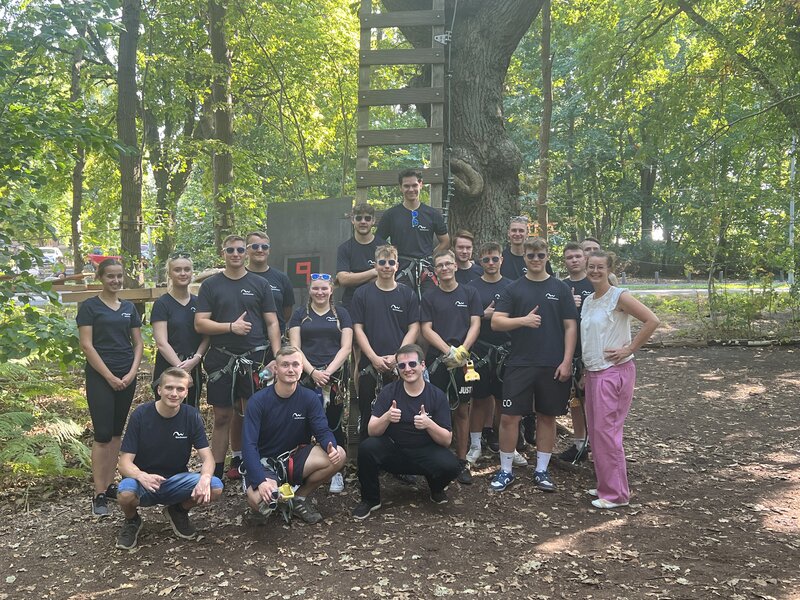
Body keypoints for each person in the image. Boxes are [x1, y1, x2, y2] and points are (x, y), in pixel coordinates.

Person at [489, 237, 578, 493]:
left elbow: (570, 326)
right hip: (519, 363)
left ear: (547, 256)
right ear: (524, 258)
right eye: (531, 255)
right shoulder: (514, 288)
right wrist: (523, 321)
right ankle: (506, 470)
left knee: (546, 416)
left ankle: (541, 470)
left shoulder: (560, 288)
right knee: (509, 417)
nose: (536, 259)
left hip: (552, 364)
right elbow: (496, 322)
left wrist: (567, 361)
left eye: (540, 255)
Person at [195, 235, 282, 482]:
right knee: (222, 416)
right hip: (221, 359)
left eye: (240, 250)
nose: (235, 254)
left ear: (246, 253)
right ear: (223, 253)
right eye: (230, 250)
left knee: (254, 414)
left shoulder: (260, 284)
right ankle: (216, 474)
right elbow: (200, 323)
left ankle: (256, 469)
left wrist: (277, 356)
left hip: (255, 358)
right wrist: (230, 327)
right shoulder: (211, 286)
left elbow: (272, 322)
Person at [581, 251, 659, 508]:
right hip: (593, 373)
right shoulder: (590, 300)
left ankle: (617, 494)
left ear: (609, 269)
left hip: (613, 372)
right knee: (596, 432)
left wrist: (629, 348)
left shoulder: (618, 296)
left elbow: (652, 320)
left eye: (600, 267)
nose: (595, 271)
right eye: (591, 267)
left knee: (608, 433)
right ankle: (606, 484)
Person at [115, 368, 223, 549]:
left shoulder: (191, 415)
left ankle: (178, 511)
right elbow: (124, 463)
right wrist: (141, 475)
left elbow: (208, 459)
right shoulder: (141, 415)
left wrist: (204, 478)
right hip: (144, 482)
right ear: (159, 390)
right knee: (125, 493)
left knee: (215, 486)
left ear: (186, 392)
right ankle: (132, 520)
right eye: (169, 388)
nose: (174, 393)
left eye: (180, 389)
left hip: (176, 481)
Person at [351, 344, 461, 519]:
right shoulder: (389, 392)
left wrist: (429, 424)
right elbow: (371, 430)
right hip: (395, 452)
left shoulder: (437, 395)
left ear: (422, 365)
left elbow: (447, 440)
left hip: (426, 452)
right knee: (367, 447)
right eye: (402, 365)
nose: (407, 369)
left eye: (412, 364)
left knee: (452, 466)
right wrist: (387, 417)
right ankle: (370, 500)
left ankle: (436, 487)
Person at [242, 345, 346, 524]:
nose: (291, 369)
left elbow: (322, 430)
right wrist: (260, 480)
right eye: (285, 365)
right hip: (264, 462)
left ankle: (299, 498)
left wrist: (330, 445)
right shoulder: (258, 401)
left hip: (294, 458)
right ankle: (272, 494)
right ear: (276, 369)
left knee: (340, 454)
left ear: (302, 368)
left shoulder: (309, 398)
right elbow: (248, 445)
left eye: (295, 365)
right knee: (260, 500)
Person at [76, 258, 143, 517]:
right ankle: (99, 493)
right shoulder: (90, 307)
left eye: (119, 276)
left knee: (116, 433)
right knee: (102, 434)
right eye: (110, 276)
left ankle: (110, 484)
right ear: (100, 278)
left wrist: (132, 372)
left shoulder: (129, 308)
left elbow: (138, 343)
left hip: (126, 375)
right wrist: (109, 376)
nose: (115, 280)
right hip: (100, 376)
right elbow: (86, 345)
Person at [420, 250, 482, 484]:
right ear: (435, 270)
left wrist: (463, 350)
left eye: (448, 264)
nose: (444, 268)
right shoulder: (429, 297)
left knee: (463, 410)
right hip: (438, 361)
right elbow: (426, 329)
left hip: (464, 361)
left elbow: (475, 323)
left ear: (456, 266)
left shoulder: (470, 292)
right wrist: (448, 352)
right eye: (440, 265)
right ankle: (437, 460)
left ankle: (461, 461)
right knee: (435, 409)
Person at [288, 273, 353, 494]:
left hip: (334, 377)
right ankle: (299, 470)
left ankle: (336, 470)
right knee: (302, 421)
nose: (320, 292)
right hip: (306, 375)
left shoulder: (341, 314)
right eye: (315, 288)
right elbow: (295, 347)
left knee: (333, 421)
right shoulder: (300, 314)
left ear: (331, 290)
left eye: (324, 288)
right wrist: (313, 372)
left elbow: (346, 347)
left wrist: (327, 372)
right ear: (309, 290)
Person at [351, 244, 420, 439]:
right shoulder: (362, 294)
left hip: (401, 366)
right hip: (369, 365)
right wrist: (373, 357)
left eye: (391, 262)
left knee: (401, 416)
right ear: (375, 265)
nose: (387, 266)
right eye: (382, 262)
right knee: (368, 414)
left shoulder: (408, 294)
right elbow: (358, 329)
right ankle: (367, 456)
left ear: (397, 265)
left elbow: (414, 328)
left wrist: (398, 357)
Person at [464, 242, 514, 464]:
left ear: (501, 259)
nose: (491, 263)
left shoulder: (512, 286)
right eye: (486, 260)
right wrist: (483, 315)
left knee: (504, 400)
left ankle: (506, 445)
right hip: (480, 350)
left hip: (507, 350)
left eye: (495, 259)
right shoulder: (471, 288)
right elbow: (464, 317)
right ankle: (475, 445)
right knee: (479, 399)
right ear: (480, 262)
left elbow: (520, 315)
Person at [375, 168, 449, 295]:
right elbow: (378, 241)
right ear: (400, 187)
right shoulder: (391, 215)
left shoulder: (432, 214)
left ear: (421, 185)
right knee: (402, 301)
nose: (411, 189)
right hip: (401, 268)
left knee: (430, 301)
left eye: (414, 185)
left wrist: (431, 256)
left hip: (426, 268)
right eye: (406, 186)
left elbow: (445, 241)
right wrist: (391, 256)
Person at [151, 252, 209, 407]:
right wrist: (182, 370)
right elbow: (161, 342)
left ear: (192, 272)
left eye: (187, 269)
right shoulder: (162, 304)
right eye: (177, 270)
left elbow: (206, 336)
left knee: (190, 410)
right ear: (169, 273)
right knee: (166, 411)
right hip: (168, 366)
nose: (183, 273)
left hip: (193, 364)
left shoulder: (200, 303)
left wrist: (196, 358)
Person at [557, 241, 595, 463]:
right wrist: (568, 304)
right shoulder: (560, 286)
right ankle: (580, 444)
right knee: (575, 401)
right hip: (570, 352)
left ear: (584, 258)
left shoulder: (595, 283)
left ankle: (598, 444)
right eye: (569, 257)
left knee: (594, 402)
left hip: (594, 352)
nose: (574, 260)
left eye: (577, 256)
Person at [335, 203, 387, 310]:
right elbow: (343, 280)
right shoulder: (344, 248)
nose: (363, 222)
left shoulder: (384, 248)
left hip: (379, 303)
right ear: (352, 220)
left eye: (367, 218)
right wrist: (374, 272)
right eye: (359, 218)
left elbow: (387, 277)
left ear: (373, 221)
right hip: (351, 304)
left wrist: (353, 277)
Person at [245, 231, 295, 335]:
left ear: (269, 250)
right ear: (246, 250)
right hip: (245, 338)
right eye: (255, 246)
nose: (260, 250)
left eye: (264, 247)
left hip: (274, 339)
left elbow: (286, 312)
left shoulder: (282, 278)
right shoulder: (239, 277)